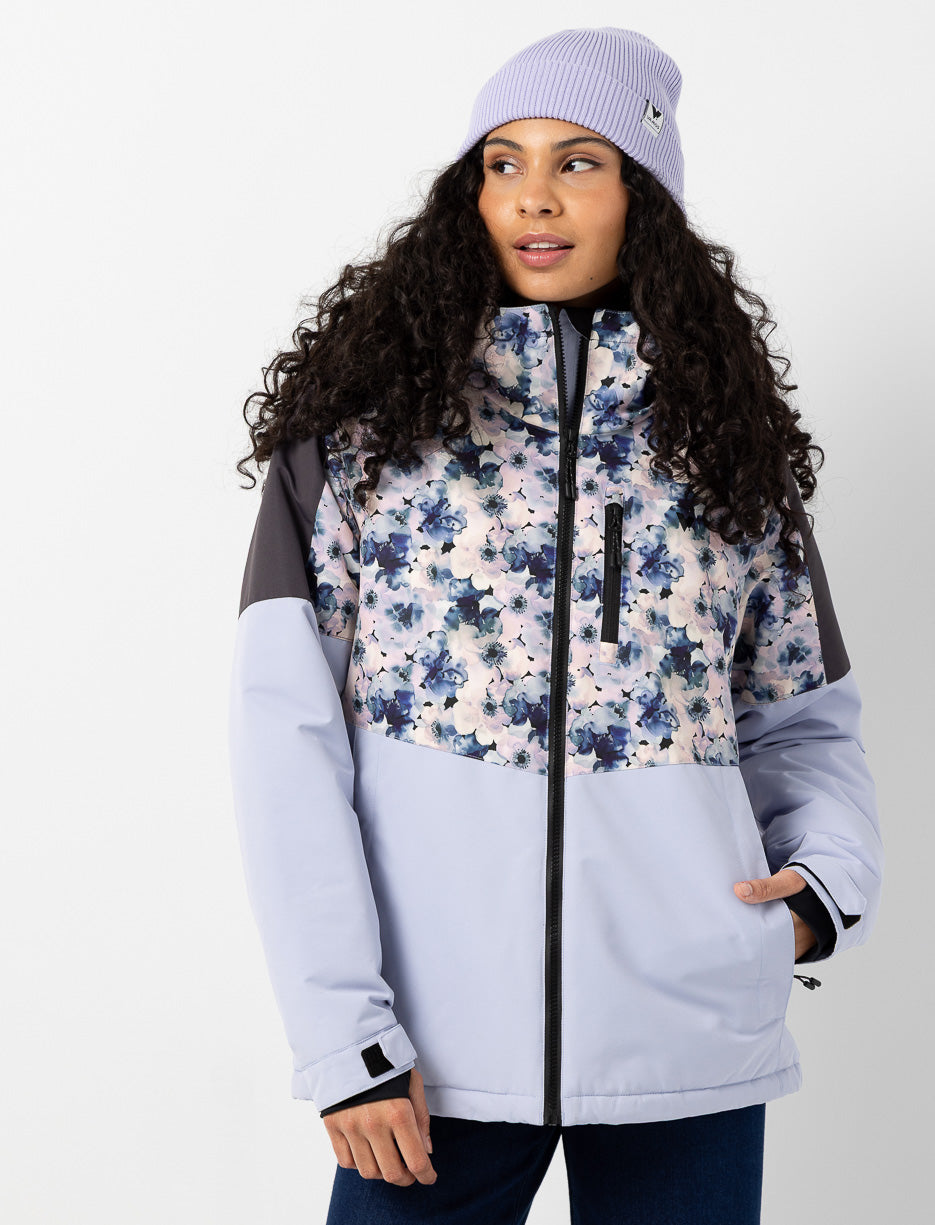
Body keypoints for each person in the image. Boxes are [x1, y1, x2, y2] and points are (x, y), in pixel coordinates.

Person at [228, 26, 885, 1224]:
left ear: (644, 197)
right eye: (502, 162)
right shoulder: (360, 443)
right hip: (428, 1056)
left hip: (688, 1046)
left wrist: (818, 892)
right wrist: (343, 1039)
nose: (533, 194)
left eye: (578, 161)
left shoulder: (722, 453)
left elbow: (800, 721)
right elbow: (287, 751)